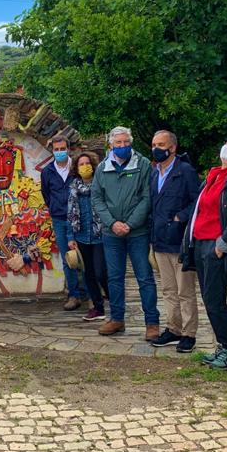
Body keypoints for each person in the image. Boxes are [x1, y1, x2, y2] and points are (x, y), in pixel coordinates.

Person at [180, 135, 227, 371]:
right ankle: (224, 347)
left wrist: (221, 247)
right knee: (209, 299)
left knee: (215, 300)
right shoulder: (213, 176)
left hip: (215, 247)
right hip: (200, 244)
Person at [91, 127, 158, 339]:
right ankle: (117, 319)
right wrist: (112, 223)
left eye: (125, 142)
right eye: (117, 143)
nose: (122, 146)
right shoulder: (102, 168)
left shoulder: (143, 164)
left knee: (145, 277)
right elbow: (97, 199)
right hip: (111, 234)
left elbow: (147, 197)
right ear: (111, 145)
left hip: (137, 232)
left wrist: (129, 224)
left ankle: (152, 323)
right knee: (114, 277)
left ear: (130, 143)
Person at [148, 131, 201, 353]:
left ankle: (189, 333)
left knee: (185, 290)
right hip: (160, 239)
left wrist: (181, 217)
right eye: (153, 144)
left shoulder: (185, 171)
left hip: (179, 240)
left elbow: (197, 201)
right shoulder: (154, 173)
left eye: (161, 144)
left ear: (173, 148)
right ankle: (173, 328)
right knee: (168, 289)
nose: (156, 148)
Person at [41, 135, 85, 310]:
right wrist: (54, 207)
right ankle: (74, 295)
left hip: (80, 218)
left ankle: (90, 293)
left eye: (62, 149)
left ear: (68, 149)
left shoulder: (76, 168)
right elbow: (46, 193)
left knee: (84, 255)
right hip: (59, 219)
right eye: (56, 149)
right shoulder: (47, 171)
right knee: (68, 258)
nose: (59, 152)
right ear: (52, 151)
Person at [66, 150, 108, 322]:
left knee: (101, 272)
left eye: (87, 163)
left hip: (100, 235)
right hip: (82, 236)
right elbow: (70, 214)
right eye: (81, 164)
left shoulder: (101, 185)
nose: (85, 167)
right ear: (76, 168)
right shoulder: (74, 188)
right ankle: (97, 308)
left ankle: (114, 301)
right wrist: (71, 237)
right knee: (87, 274)